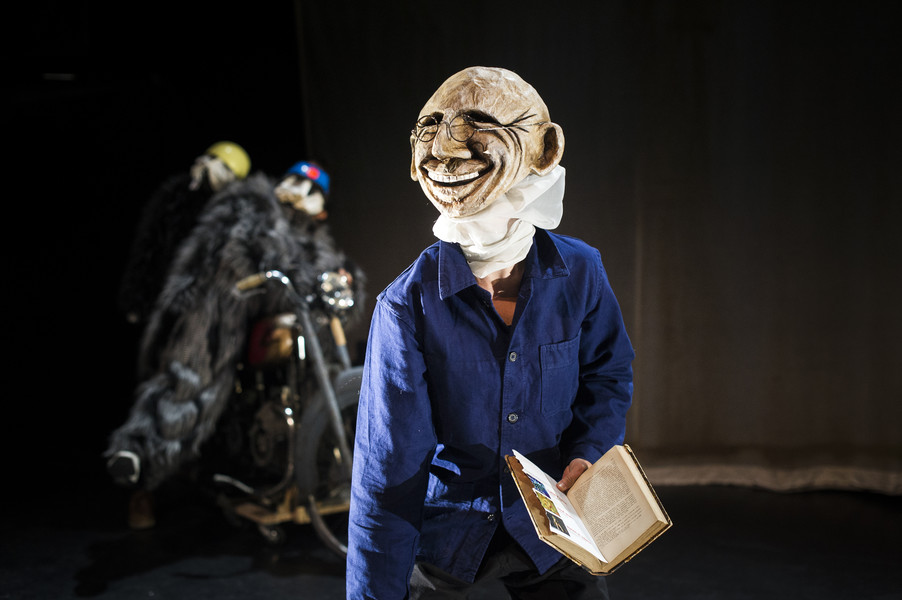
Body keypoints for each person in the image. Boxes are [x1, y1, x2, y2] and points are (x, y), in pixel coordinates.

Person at [346, 66, 635, 599]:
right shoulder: (406, 305)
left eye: (475, 124)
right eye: (429, 129)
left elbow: (608, 375)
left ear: (545, 150)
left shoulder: (581, 271)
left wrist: (590, 451)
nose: (441, 151)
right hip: (451, 528)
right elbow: (387, 473)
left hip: (552, 526)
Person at [105, 160, 364, 528]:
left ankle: (322, 471)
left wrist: (345, 281)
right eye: (294, 181)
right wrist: (303, 278)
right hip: (226, 299)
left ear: (322, 208)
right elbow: (244, 254)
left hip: (281, 317)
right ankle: (141, 454)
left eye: (312, 190)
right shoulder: (251, 205)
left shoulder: (316, 239)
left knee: (325, 362)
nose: (300, 191)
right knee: (196, 365)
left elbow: (329, 277)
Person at [118, 141, 251, 326]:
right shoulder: (175, 199)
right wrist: (137, 299)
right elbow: (149, 246)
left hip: (200, 306)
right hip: (160, 294)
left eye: (227, 170)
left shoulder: (232, 212)